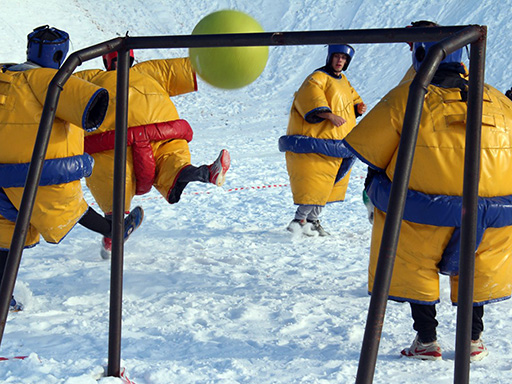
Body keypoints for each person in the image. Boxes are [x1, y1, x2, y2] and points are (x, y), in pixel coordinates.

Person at [343, 38, 512, 362]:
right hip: (491, 218)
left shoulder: (408, 97)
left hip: (421, 214)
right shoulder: (495, 100)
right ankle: (472, 341)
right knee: (476, 270)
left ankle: (427, 339)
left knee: (413, 265)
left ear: (422, 55)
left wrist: (378, 188)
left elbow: (369, 152)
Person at [0, 26, 143, 311]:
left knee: (5, 236)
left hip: (3, 176)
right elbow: (92, 106)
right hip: (37, 176)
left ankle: (2, 297)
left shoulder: (5, 73)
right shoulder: (51, 79)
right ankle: (115, 230)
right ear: (59, 54)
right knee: (70, 207)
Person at [73, 50, 230, 258]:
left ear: (105, 60)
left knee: (112, 189)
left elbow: (53, 85)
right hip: (158, 136)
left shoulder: (90, 79)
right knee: (173, 163)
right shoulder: (150, 71)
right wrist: (223, 56)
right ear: (132, 58)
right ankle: (203, 173)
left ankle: (112, 235)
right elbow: (188, 70)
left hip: (112, 148)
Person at [278, 44, 366, 236]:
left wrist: (358, 106)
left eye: (344, 58)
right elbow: (310, 98)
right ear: (330, 58)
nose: (340, 61)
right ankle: (299, 219)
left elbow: (351, 96)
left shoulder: (343, 80)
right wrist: (328, 115)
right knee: (315, 182)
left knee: (331, 183)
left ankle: (312, 220)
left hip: (340, 143)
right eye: (337, 57)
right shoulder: (317, 78)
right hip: (316, 143)